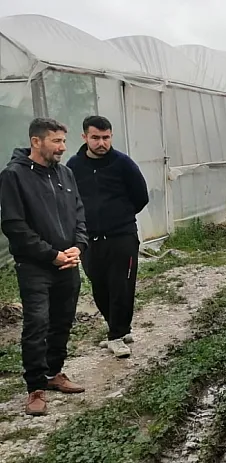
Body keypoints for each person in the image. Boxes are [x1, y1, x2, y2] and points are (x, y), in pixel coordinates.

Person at [0, 118, 87, 416]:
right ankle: (35, 387)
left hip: (67, 263)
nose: (63, 147)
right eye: (56, 141)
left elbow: (78, 212)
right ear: (36, 142)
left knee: (62, 320)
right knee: (37, 323)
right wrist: (52, 255)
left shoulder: (65, 173)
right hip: (35, 265)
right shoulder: (14, 176)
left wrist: (79, 245)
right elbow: (14, 226)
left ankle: (54, 373)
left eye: (63, 141)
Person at [67, 115, 149, 359]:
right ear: (85, 137)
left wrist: (120, 217)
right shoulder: (73, 166)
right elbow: (69, 199)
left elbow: (141, 196)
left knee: (122, 285)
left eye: (106, 137)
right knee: (99, 285)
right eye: (95, 138)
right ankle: (118, 330)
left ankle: (117, 334)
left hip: (121, 236)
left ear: (111, 136)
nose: (101, 142)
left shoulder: (123, 164)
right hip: (89, 238)